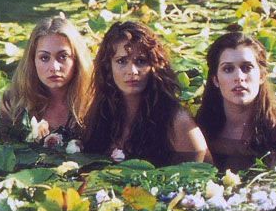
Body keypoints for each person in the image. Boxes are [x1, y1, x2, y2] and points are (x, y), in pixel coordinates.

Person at [83, 21, 209, 166]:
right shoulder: (99, 114)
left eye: (141, 61)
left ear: (155, 66)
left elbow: (198, 175)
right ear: (108, 67)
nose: (132, 71)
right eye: (121, 61)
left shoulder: (177, 121)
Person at [196, 28, 276, 173]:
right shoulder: (199, 132)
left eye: (247, 67)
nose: (239, 77)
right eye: (228, 69)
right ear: (216, 80)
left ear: (262, 76)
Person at [1, 16, 93, 136]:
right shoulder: (13, 101)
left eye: (63, 56)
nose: (54, 67)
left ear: (77, 59)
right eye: (44, 58)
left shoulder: (95, 101)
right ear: (32, 60)